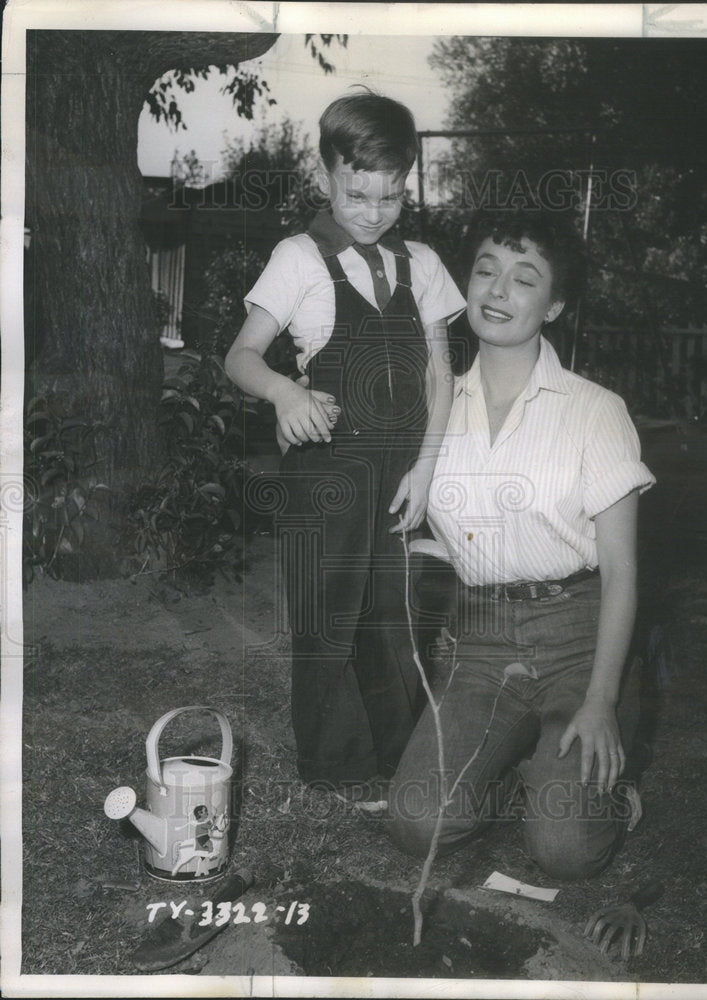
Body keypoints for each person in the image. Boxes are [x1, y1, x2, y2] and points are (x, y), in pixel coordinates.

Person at [386, 210, 656, 880]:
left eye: (524, 278)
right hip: (482, 643)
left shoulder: (595, 409)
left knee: (563, 851)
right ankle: (519, 778)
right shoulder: (430, 409)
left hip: (578, 640)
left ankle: (602, 797)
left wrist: (602, 699)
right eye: (485, 271)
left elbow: (622, 572)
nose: (497, 290)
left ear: (555, 304)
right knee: (417, 820)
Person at [225, 92, 466, 794]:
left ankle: (396, 757)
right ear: (326, 173)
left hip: (400, 469)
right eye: (357, 194)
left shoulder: (421, 263)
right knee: (329, 611)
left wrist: (425, 469)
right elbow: (241, 355)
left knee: (394, 613)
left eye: (390, 196)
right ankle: (333, 763)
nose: (372, 211)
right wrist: (285, 393)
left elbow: (442, 375)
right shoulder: (298, 258)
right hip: (326, 468)